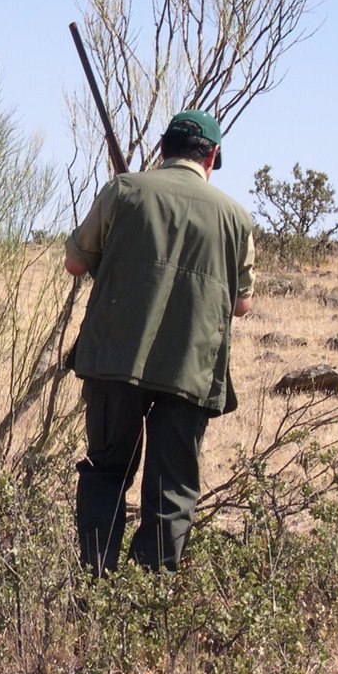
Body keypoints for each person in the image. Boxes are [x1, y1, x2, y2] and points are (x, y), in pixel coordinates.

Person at [63, 109, 254, 576]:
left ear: (162, 149)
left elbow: (74, 262)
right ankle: (147, 603)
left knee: (107, 473)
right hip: (190, 371)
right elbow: (241, 305)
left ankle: (94, 587)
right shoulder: (236, 218)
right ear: (211, 156)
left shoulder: (125, 191)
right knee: (172, 490)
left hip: (116, 362)